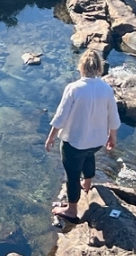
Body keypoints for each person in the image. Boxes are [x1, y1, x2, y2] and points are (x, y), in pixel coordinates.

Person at [44, 48, 120, 224]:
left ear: (81, 67)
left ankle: (71, 210)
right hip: (97, 141)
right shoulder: (106, 89)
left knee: (72, 174)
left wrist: (51, 137)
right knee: (89, 155)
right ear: (99, 68)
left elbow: (61, 116)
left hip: (75, 142)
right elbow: (113, 116)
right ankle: (87, 183)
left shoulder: (74, 88)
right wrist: (112, 136)